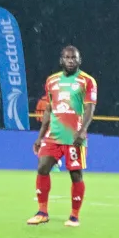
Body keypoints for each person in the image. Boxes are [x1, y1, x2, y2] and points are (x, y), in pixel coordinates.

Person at [28, 46, 97, 228]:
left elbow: (90, 109)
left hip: (74, 137)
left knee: (76, 175)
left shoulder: (87, 81)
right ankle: (42, 212)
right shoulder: (51, 81)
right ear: (61, 60)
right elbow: (49, 109)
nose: (70, 60)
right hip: (53, 135)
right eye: (67, 57)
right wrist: (40, 136)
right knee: (42, 167)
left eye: (74, 58)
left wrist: (82, 131)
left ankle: (74, 216)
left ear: (79, 60)